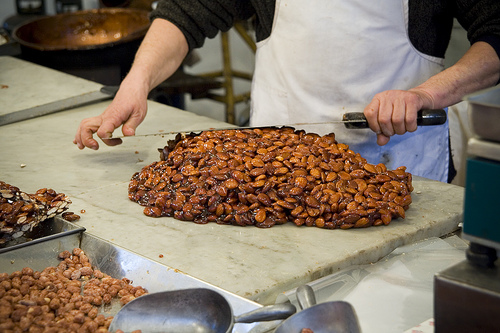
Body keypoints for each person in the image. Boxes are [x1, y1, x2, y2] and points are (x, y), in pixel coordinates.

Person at [74, 1, 500, 183]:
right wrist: (137, 82)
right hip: (272, 164)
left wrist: (425, 94)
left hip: (399, 161)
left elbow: (495, 36)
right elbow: (186, 13)